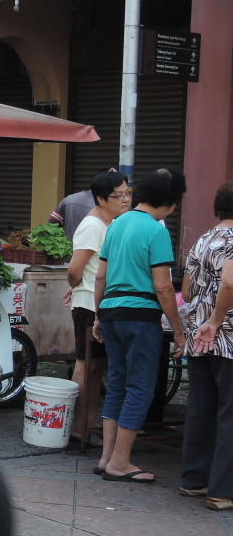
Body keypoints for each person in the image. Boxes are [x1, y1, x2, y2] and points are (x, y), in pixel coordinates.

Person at [92, 167, 187, 484]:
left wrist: (98, 315)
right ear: (169, 202)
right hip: (140, 315)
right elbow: (163, 287)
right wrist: (178, 329)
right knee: (140, 387)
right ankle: (120, 463)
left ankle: (106, 457)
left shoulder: (117, 224)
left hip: (111, 311)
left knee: (117, 383)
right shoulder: (156, 230)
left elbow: (100, 276)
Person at [66, 169, 131, 441]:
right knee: (85, 362)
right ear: (101, 199)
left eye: (128, 193)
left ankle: (90, 419)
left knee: (97, 365)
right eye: (119, 196)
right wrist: (74, 287)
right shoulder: (93, 225)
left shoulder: (110, 222)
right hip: (87, 303)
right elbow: (75, 269)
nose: (126, 200)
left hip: (101, 303)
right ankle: (76, 424)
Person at [180, 182, 233, 511]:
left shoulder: (204, 238)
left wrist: (205, 319)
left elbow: (186, 290)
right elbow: (230, 282)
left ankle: (194, 481)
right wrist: (216, 320)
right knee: (230, 412)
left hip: (198, 335)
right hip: (226, 335)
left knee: (201, 407)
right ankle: (222, 491)